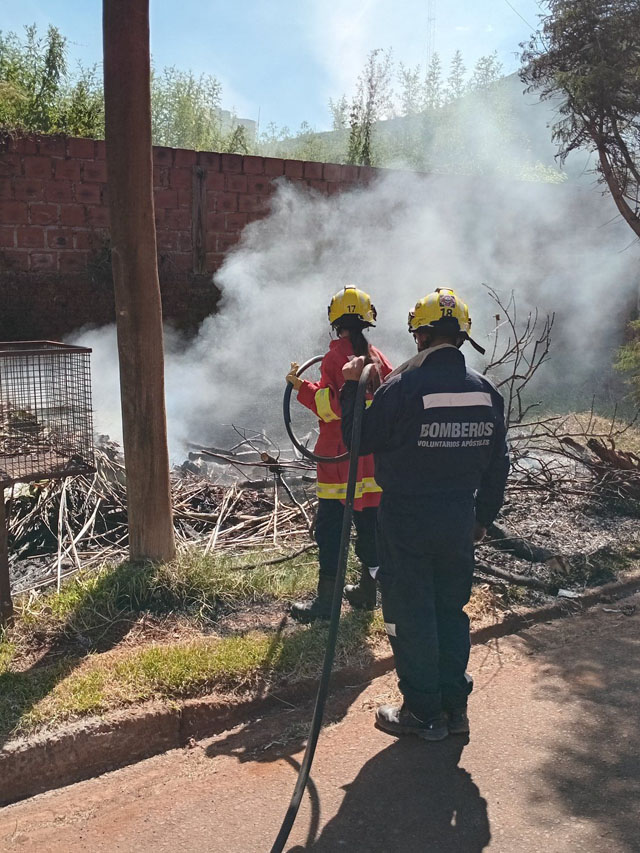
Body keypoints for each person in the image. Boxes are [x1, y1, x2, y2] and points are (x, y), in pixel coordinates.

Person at [340, 287, 509, 739]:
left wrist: (352, 386)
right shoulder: (486, 392)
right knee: (451, 611)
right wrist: (481, 518)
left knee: (411, 614)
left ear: (421, 336)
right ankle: (455, 710)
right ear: (462, 336)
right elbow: (499, 465)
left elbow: (358, 440)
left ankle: (422, 712)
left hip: (407, 520)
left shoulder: (403, 387)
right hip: (458, 519)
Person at [285, 285, 393, 623]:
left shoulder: (334, 358)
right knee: (370, 527)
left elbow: (331, 407)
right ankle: (367, 593)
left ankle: (327, 604)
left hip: (340, 462)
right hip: (371, 461)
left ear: (335, 321)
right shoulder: (378, 356)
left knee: (331, 532)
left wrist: (301, 387)